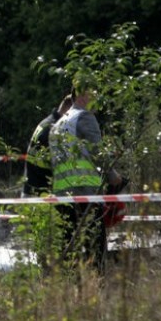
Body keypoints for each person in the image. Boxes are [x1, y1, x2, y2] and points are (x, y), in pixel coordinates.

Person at [48, 86, 122, 272]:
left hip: (62, 193)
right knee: (94, 244)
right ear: (81, 95)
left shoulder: (59, 123)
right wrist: (113, 177)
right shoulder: (85, 117)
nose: (96, 99)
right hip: (85, 192)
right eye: (93, 95)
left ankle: (69, 287)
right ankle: (96, 285)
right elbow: (98, 152)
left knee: (68, 243)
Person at [22, 94, 73, 197]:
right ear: (69, 110)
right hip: (41, 196)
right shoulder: (55, 129)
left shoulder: (46, 122)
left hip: (31, 191)